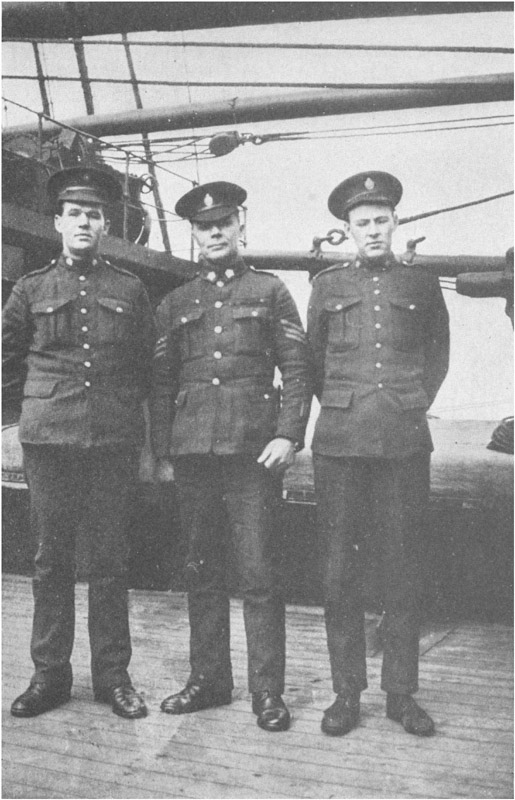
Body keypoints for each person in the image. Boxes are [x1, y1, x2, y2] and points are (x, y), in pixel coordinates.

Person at [150, 181, 311, 731]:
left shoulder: (270, 291)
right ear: (194, 234)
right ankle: (209, 680)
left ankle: (267, 692)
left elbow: (297, 367)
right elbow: (161, 380)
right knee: (201, 571)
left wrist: (288, 434)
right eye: (204, 226)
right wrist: (163, 451)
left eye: (223, 222)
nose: (215, 232)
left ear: (240, 225)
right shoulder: (175, 302)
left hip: (252, 455)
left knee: (259, 573)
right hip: (194, 453)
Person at [3, 166, 156, 719]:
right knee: (51, 561)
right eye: (75, 214)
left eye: (93, 214)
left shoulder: (130, 289)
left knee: (110, 562)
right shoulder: (31, 288)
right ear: (58, 223)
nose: (85, 222)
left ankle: (114, 678)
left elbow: (146, 365)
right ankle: (50, 676)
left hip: (112, 441)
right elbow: (4, 358)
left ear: (106, 224)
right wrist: (22, 415)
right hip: (49, 441)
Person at [307, 171, 449, 737]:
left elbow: (437, 356)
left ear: (395, 223)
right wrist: (348, 405)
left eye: (381, 221)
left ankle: (401, 693)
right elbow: (314, 361)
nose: (372, 230)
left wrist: (409, 401)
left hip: (403, 442)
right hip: (340, 444)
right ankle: (347, 693)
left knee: (403, 567)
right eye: (362, 222)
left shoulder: (422, 285)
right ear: (348, 229)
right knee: (339, 571)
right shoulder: (327, 285)